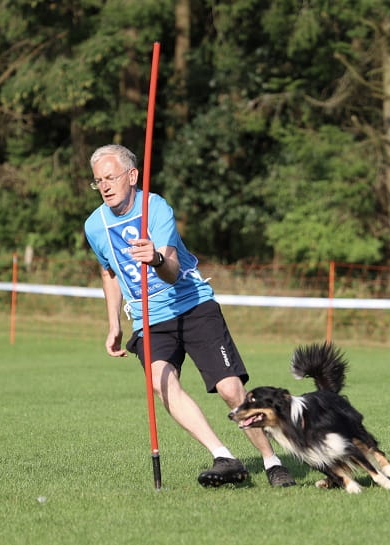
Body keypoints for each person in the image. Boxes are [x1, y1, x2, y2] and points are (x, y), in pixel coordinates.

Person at [83, 144, 295, 488]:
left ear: (132, 176)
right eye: (97, 181)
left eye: (110, 177)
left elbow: (171, 269)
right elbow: (108, 272)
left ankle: (272, 462)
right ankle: (223, 456)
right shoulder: (95, 226)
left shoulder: (155, 208)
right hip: (148, 319)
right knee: (160, 382)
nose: (104, 186)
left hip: (192, 305)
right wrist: (113, 324)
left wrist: (153, 258)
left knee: (229, 389)